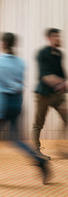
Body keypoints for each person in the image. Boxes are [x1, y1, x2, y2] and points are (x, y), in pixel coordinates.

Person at [0, 32, 51, 184]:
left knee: (13, 139)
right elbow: (20, 85)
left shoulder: (1, 62)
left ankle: (40, 161)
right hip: (16, 102)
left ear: (4, 43)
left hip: (2, 102)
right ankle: (39, 161)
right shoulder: (21, 63)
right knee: (16, 139)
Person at [32, 28, 68, 160]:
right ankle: (36, 151)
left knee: (66, 118)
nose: (58, 39)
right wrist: (62, 82)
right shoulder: (42, 53)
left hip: (57, 95)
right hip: (43, 94)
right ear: (49, 38)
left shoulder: (59, 54)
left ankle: (60, 147)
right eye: (55, 36)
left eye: (59, 36)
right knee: (38, 123)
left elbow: (62, 73)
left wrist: (65, 84)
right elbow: (44, 76)